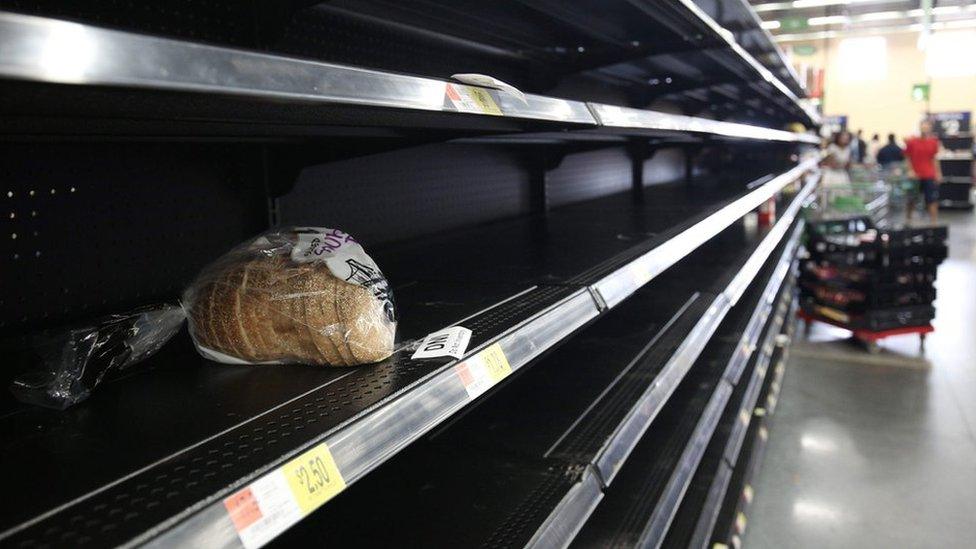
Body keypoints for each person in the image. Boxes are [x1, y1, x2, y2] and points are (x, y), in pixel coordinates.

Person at [904, 119, 942, 223]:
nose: (925, 128)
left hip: (929, 175)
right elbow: (907, 157)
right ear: (920, 127)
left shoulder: (933, 142)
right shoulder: (911, 141)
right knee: (911, 199)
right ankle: (908, 219)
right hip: (915, 176)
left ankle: (934, 222)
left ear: (930, 128)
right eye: (923, 126)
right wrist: (910, 170)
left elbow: (934, 158)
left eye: (927, 126)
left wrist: (938, 173)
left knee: (932, 199)